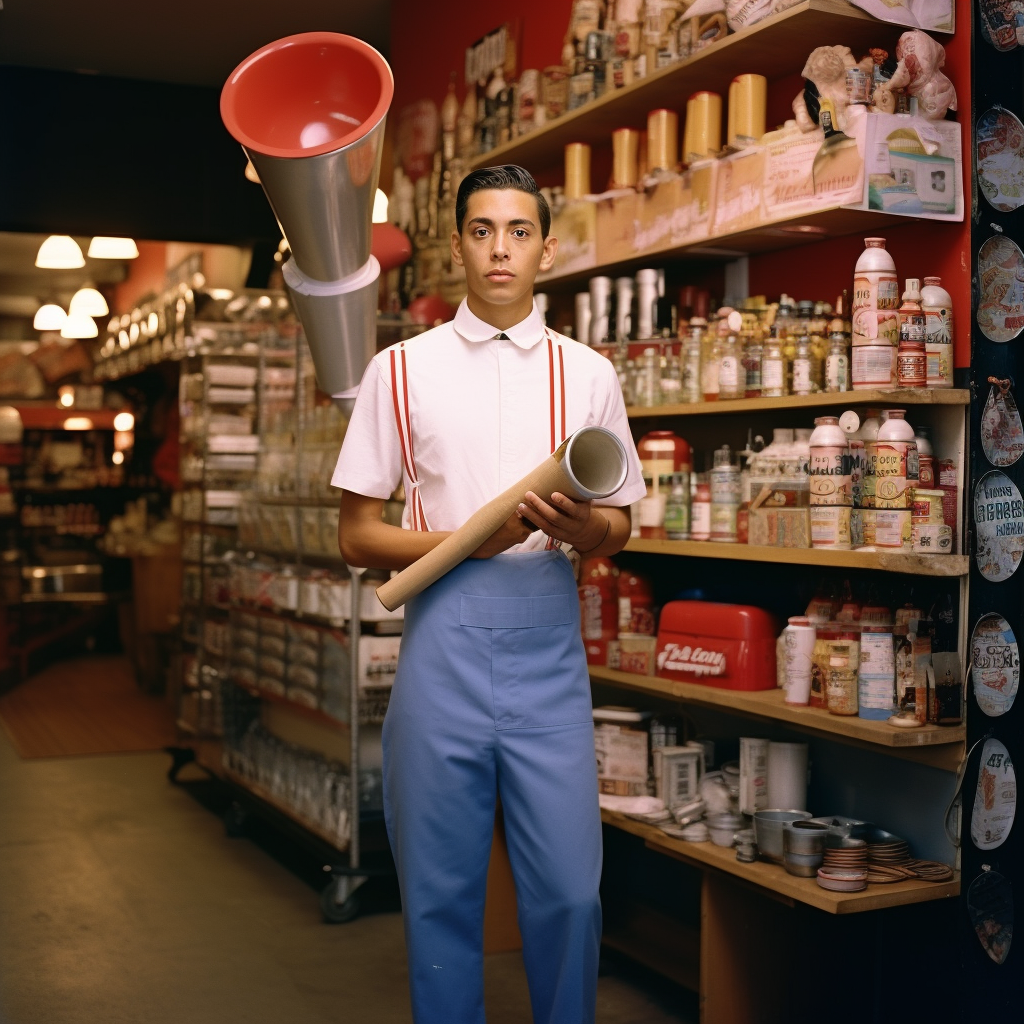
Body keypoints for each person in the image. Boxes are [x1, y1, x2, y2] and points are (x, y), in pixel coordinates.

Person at [333, 164, 645, 1024]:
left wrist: (580, 532)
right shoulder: (399, 369)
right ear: (458, 245)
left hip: (550, 655)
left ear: (547, 246)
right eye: (481, 230)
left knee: (572, 899)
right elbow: (356, 537)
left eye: (517, 230)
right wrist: (472, 540)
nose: (499, 248)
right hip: (441, 654)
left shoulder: (589, 375)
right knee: (438, 905)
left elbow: (618, 525)